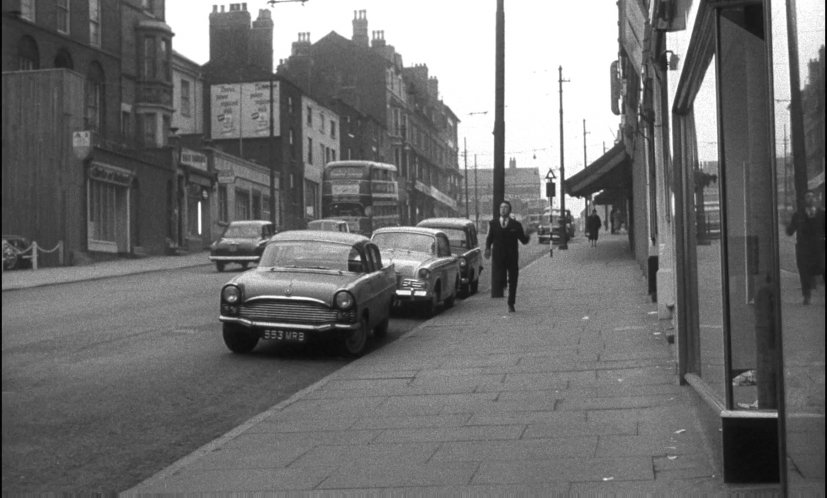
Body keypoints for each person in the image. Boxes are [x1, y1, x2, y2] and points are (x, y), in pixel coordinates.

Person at [484, 200, 530, 312]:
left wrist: (528, 234)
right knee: (500, 276)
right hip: (499, 257)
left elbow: (523, 241)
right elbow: (489, 238)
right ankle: (503, 282)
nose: (503, 209)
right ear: (499, 210)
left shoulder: (516, 225)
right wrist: (487, 248)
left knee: (513, 280)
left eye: (505, 207)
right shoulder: (493, 223)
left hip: (512, 257)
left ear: (509, 210)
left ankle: (511, 303)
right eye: (501, 207)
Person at [786, 190, 825, 305]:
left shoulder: (822, 214)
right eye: (807, 197)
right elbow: (790, 231)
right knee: (804, 271)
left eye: (812, 197)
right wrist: (788, 224)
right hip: (804, 249)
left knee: (824, 269)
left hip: (819, 248)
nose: (810, 199)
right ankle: (806, 296)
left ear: (816, 200)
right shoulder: (798, 215)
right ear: (804, 201)